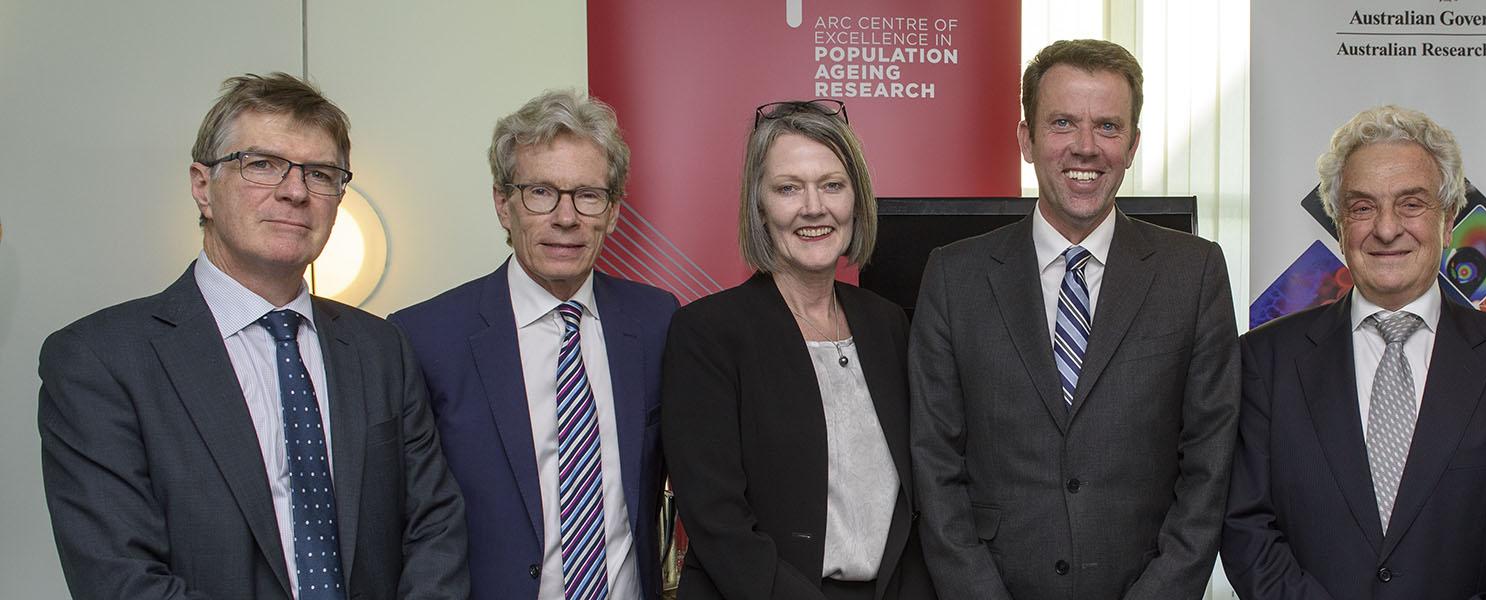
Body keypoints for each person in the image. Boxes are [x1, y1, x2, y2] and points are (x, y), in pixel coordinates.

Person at [38, 72, 467, 600]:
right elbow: (118, 579)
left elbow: (435, 532)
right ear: (202, 186)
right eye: (262, 164)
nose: (294, 191)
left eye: (320, 173)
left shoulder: (382, 350)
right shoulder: (99, 360)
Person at [909, 39, 1239, 600]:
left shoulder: (1195, 272)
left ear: (1132, 145)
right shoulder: (953, 276)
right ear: (1026, 139)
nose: (1085, 148)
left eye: (1108, 127)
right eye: (1062, 123)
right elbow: (935, 462)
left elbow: (1210, 460)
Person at [1219, 105, 1486, 599]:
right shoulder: (1264, 362)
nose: (1387, 229)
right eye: (1362, 208)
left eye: (1411, 204)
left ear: (1449, 220)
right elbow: (1247, 531)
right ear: (1339, 224)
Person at [390, 89, 678, 600]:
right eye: (540, 192)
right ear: (503, 204)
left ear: (612, 212)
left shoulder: (656, 321)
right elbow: (407, 523)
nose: (566, 218)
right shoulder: (426, 337)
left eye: (588, 195)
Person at [661, 99, 934, 599]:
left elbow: (913, 503)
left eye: (832, 185)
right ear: (760, 207)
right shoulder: (707, 333)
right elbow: (718, 522)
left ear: (856, 199)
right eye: (788, 188)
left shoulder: (888, 324)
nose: (814, 207)